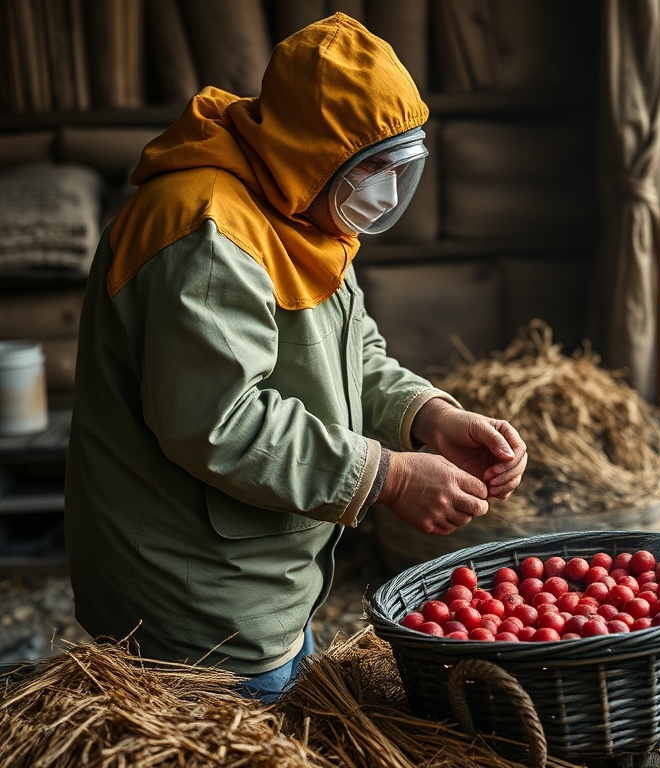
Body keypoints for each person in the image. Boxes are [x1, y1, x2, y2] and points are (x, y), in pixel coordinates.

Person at [63, 14, 527, 703]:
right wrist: (389, 478)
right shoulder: (208, 234)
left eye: (402, 167)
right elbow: (219, 420)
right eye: (372, 167)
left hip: (265, 579)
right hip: (195, 604)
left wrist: (427, 416)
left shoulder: (301, 208)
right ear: (312, 149)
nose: (388, 192)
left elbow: (351, 351)